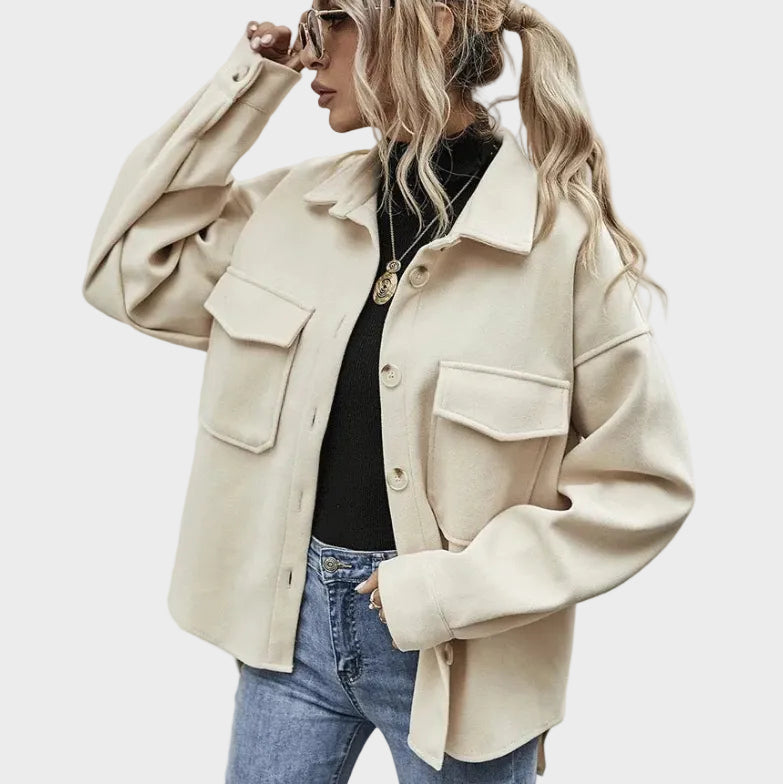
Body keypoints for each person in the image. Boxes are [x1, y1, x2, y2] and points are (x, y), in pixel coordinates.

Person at [82, 1, 696, 782]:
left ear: (432, 24)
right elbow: (127, 269)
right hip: (285, 637)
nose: (309, 51)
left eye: (333, 17)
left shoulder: (560, 246)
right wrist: (246, 87)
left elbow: (643, 482)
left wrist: (454, 589)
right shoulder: (295, 207)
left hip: (465, 660)